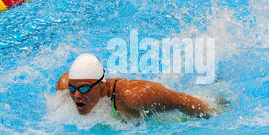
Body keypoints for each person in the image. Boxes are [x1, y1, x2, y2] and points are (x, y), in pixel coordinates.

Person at [56, 53, 219, 120]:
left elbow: (184, 101)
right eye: (73, 89)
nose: (77, 94)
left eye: (84, 89)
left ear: (101, 85)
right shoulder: (65, 88)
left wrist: (215, 116)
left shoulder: (136, 97)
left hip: (183, 111)